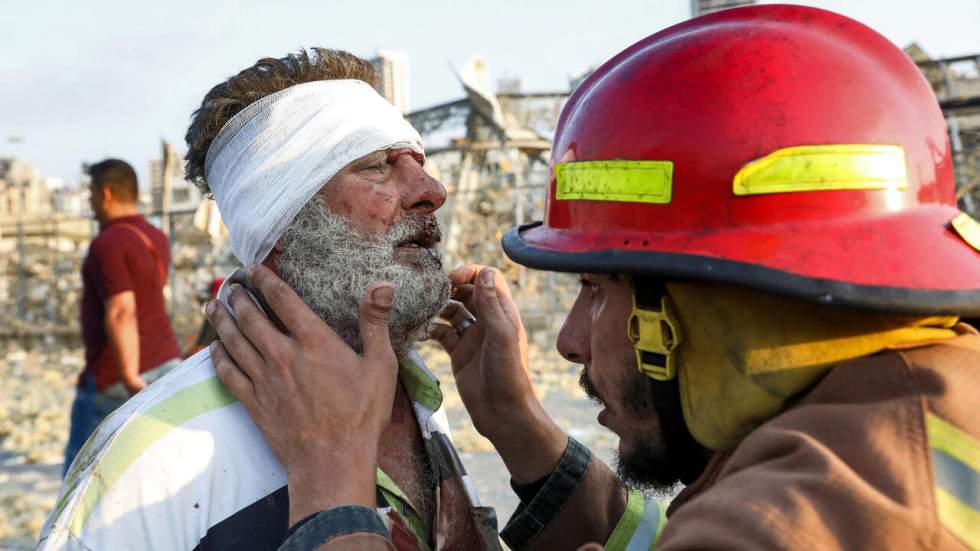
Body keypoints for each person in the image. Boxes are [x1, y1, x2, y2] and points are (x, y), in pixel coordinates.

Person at [204, 6, 980, 551]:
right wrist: (521, 428)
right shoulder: (924, 398)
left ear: (707, 294)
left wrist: (333, 484)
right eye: (377, 164)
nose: (568, 340)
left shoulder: (792, 519)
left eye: (598, 288)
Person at [39, 48, 500, 550]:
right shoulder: (155, 458)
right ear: (280, 220)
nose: (432, 189)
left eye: (419, 161)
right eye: (376, 167)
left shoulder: (416, 396)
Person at [64, 159, 181, 475]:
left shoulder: (109, 243)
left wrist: (129, 376)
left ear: (105, 193)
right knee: (146, 470)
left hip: (116, 377)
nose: (89, 200)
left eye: (90, 193)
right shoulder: (154, 236)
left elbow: (122, 310)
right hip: (166, 363)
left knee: (79, 478)